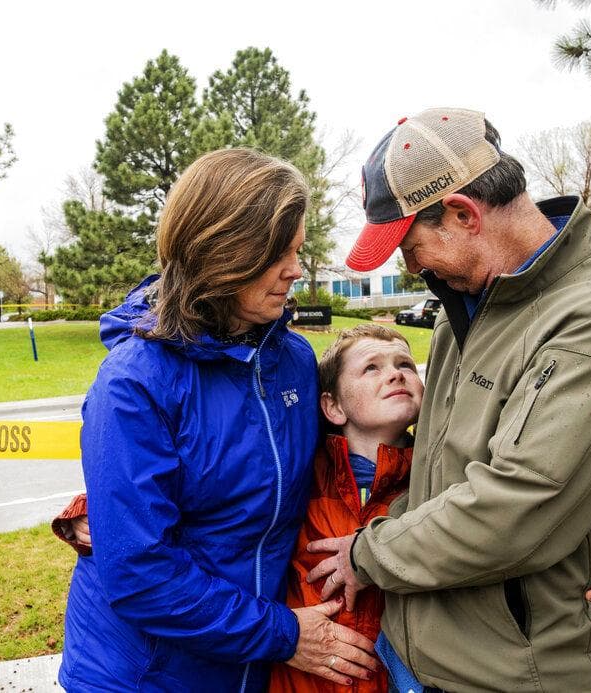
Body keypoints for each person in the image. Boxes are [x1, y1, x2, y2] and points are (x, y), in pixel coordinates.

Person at [57, 324, 591, 692]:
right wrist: (93, 513)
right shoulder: (303, 472)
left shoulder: (449, 477)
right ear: (330, 405)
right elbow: (225, 492)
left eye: (406, 364)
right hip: (297, 677)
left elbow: (543, 521)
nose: (395, 374)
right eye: (371, 368)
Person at [308, 108, 591, 692]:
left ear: (463, 213)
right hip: (433, 666)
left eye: (410, 245)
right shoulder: (463, 312)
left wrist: (368, 555)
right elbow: (440, 478)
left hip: (526, 676)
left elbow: (516, 507)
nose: (413, 267)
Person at [57, 148, 380, 692]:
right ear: (224, 250)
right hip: (147, 675)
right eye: (279, 253)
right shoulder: (134, 382)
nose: (296, 270)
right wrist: (283, 635)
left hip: (251, 665)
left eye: (298, 250)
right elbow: (139, 574)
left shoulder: (294, 360)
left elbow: (341, 471)